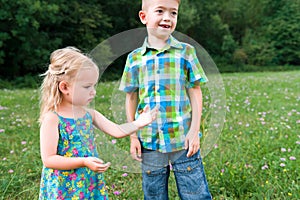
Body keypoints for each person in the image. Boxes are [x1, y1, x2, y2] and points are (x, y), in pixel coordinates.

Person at [119, 0, 212, 199]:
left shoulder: (186, 52)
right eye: (160, 11)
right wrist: (133, 136)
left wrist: (194, 131)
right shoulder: (135, 58)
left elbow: (195, 90)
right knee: (154, 195)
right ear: (144, 17)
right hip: (150, 139)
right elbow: (131, 96)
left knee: (195, 192)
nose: (167, 18)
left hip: (183, 138)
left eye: (173, 13)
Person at [38, 47, 158, 199]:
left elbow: (117, 130)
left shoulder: (89, 114)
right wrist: (83, 161)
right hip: (64, 185)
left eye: (94, 85)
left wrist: (139, 122)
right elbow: (49, 159)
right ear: (65, 87)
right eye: (87, 86)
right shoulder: (53, 118)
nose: (93, 91)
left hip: (87, 179)